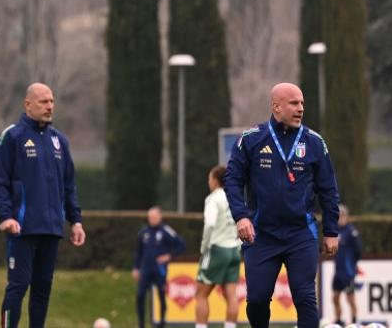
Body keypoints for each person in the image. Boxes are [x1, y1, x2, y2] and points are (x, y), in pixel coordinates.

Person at [224, 82, 341, 328]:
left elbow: (329, 190)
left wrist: (331, 231)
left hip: (301, 234)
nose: (301, 109)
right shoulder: (251, 139)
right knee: (257, 300)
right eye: (294, 103)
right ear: (276, 107)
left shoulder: (314, 142)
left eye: (302, 103)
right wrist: (241, 216)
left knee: (306, 298)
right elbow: (232, 180)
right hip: (261, 234)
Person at [0, 82, 87, 328]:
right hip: (22, 228)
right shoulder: (11, 137)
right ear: (28, 104)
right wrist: (5, 216)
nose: (49, 106)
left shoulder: (59, 141)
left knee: (42, 289)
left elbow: (68, 185)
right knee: (18, 285)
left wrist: (75, 221)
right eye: (44, 101)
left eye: (52, 101)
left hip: (51, 228)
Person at [195, 165, 241, 328]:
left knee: (201, 294)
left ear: (215, 181)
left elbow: (210, 224)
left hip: (217, 249)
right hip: (234, 250)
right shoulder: (234, 196)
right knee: (231, 295)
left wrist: (204, 247)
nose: (209, 182)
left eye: (209, 178)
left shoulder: (213, 199)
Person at [134, 206, 187, 328]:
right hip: (146, 269)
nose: (151, 219)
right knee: (140, 295)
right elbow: (138, 251)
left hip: (159, 269)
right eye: (150, 217)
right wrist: (136, 267)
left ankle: (162, 322)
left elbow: (181, 244)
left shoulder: (166, 231)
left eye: (154, 217)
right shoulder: (143, 232)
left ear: (160, 217)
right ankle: (141, 324)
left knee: (161, 295)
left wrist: (169, 256)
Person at [329, 204, 363, 325]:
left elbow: (358, 251)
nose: (341, 218)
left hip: (348, 272)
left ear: (346, 216)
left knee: (350, 298)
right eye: (339, 216)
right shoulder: (335, 231)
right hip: (338, 271)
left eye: (343, 215)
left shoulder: (351, 231)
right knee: (335, 297)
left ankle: (354, 320)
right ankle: (338, 320)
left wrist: (353, 264)